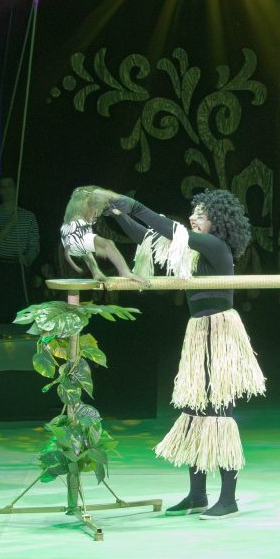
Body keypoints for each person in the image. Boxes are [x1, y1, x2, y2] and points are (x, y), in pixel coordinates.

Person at [106, 188, 265, 520]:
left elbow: (171, 230)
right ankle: (197, 495)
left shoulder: (216, 247)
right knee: (195, 411)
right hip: (198, 333)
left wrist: (135, 205)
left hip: (220, 333)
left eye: (201, 215)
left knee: (219, 412)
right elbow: (150, 239)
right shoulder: (191, 252)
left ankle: (229, 499)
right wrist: (120, 215)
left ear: (217, 222)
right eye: (194, 212)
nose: (193, 217)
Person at [0, 176, 39, 324]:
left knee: (20, 311)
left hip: (20, 267)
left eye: (10, 186)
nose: (7, 190)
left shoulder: (29, 216)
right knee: (0, 310)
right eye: (3, 187)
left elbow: (34, 245)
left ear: (16, 189)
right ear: (0, 191)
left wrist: (27, 259)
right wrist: (9, 224)